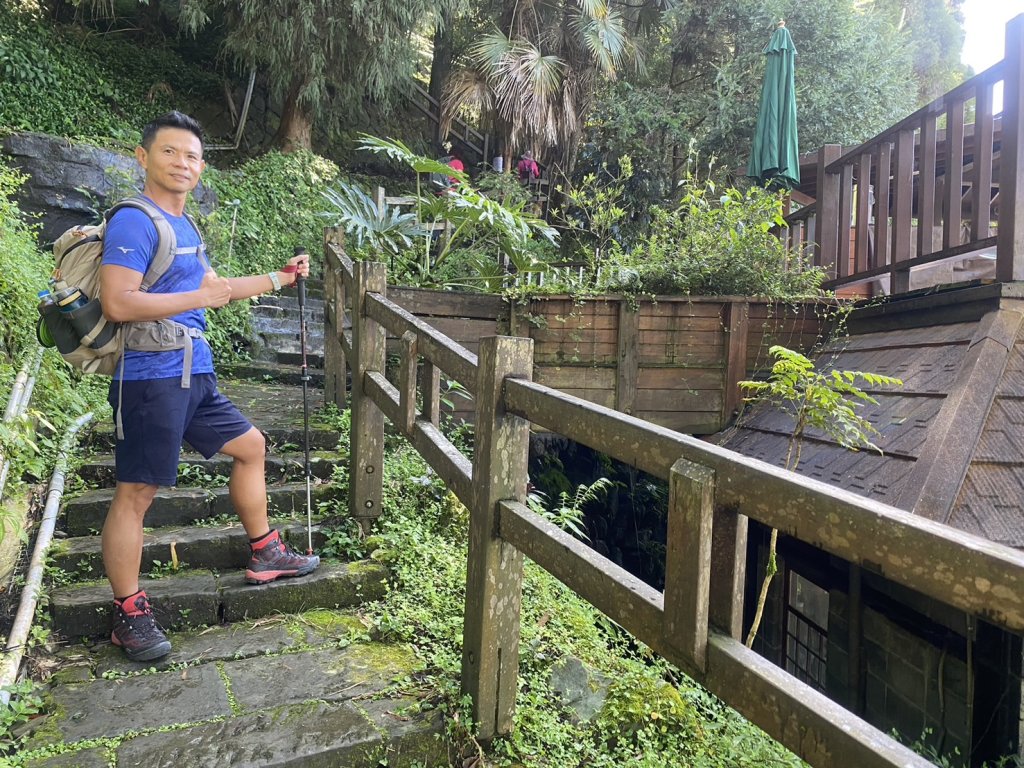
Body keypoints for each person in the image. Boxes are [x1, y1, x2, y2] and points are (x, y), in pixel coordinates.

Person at [99, 111, 320, 662]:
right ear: (143, 156)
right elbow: (118, 303)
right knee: (137, 494)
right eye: (171, 152)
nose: (183, 163)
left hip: (194, 373)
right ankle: (129, 614)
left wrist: (281, 278)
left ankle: (266, 552)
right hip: (149, 379)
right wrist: (199, 299)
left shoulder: (188, 228)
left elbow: (214, 289)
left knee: (251, 446)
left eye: (193, 156)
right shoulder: (134, 221)